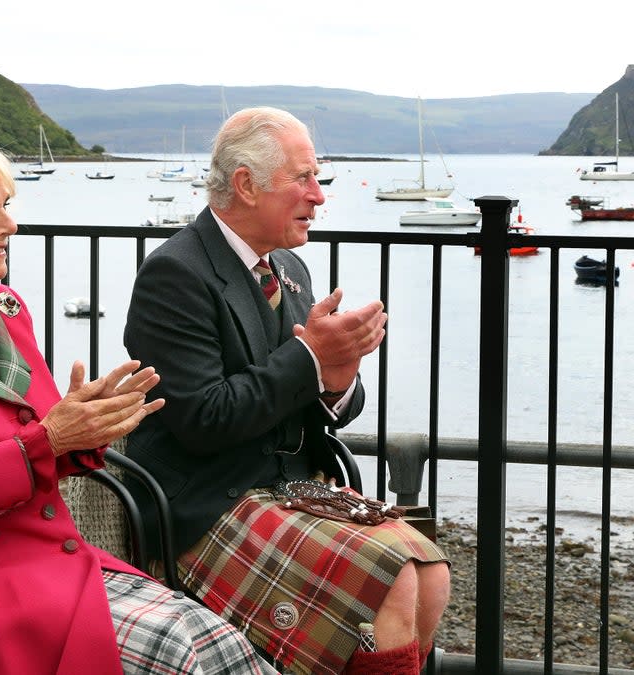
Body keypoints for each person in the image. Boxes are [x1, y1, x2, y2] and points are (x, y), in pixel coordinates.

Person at [0, 120, 278, 675]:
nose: (10, 225)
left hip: (49, 560)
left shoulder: (4, 310)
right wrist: (51, 438)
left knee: (221, 645)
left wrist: (88, 426)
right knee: (183, 654)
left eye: (6, 206)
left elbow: (39, 445)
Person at [123, 106, 451, 675]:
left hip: (290, 489)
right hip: (205, 504)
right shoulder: (175, 274)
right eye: (304, 179)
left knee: (430, 567)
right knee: (391, 580)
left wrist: (337, 379)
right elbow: (204, 418)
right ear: (247, 185)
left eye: (317, 179)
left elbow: (316, 398)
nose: (319, 196)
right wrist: (309, 358)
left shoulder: (290, 269)